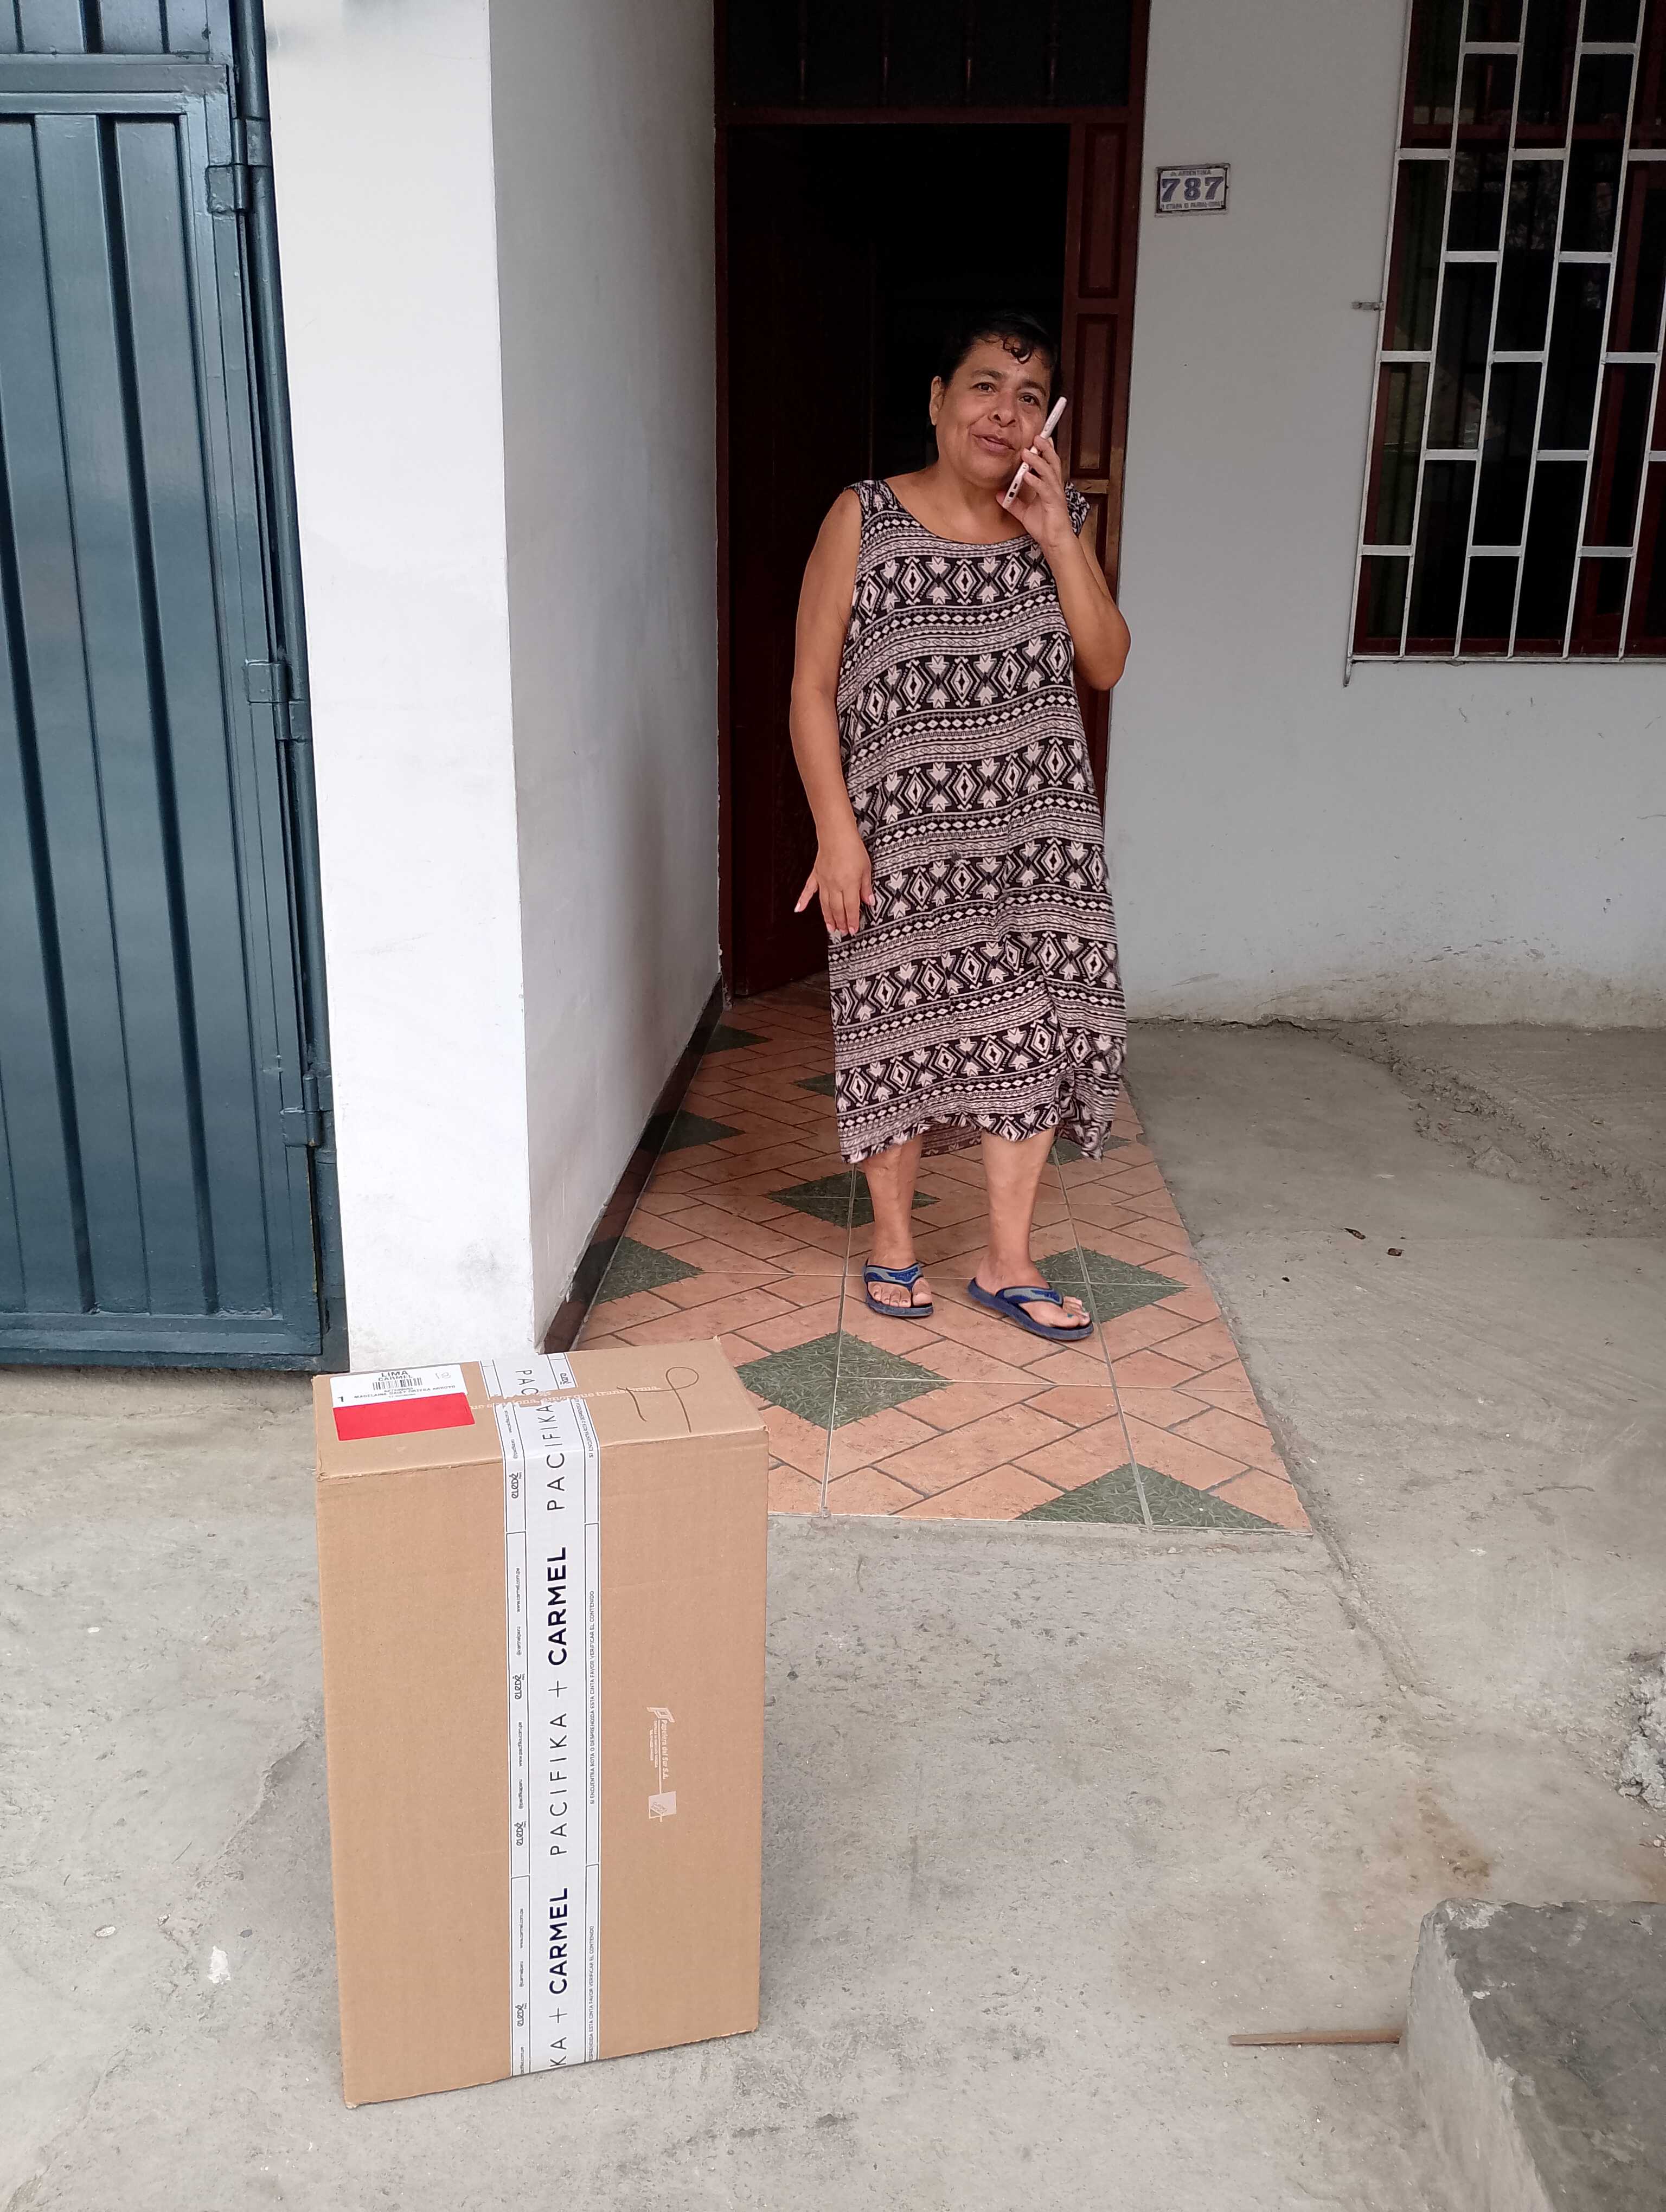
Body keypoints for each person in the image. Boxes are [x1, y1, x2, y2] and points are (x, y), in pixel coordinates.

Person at [789, 308, 1131, 1340]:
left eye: (1030, 397)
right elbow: (810, 691)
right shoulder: (864, 515)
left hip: (1037, 847)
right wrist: (836, 833)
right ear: (939, 399)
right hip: (901, 841)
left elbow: (1106, 661)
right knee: (895, 1026)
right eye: (985, 385)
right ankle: (894, 1243)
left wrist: (1058, 535)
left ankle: (1005, 1261)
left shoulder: (1059, 520)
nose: (1005, 412)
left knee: (1029, 1033)